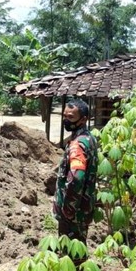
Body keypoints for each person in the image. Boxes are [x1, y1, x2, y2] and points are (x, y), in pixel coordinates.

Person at [53, 99, 99, 243]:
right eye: (65, 116)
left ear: (83, 119)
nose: (66, 120)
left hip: (73, 214)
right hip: (83, 209)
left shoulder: (77, 145)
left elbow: (77, 177)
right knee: (78, 250)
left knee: (71, 254)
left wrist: (68, 209)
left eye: (71, 117)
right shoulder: (89, 138)